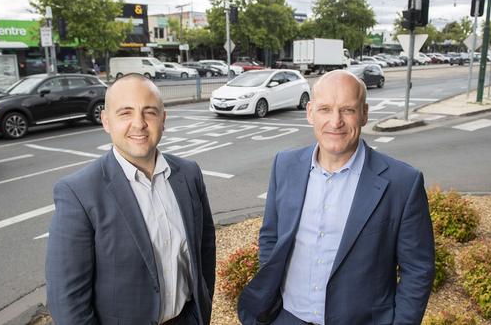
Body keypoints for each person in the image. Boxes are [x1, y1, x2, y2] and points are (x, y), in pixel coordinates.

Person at [238, 70, 435, 325]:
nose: (335, 121)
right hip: (286, 317)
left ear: (364, 113)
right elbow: (271, 236)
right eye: (325, 109)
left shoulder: (402, 183)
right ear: (310, 112)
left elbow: (418, 270)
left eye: (347, 110)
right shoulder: (284, 165)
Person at [46, 73, 216, 325]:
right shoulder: (78, 192)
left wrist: (201, 311)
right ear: (106, 121)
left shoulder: (189, 174)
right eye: (125, 113)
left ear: (163, 119)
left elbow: (204, 251)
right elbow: (67, 300)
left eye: (149, 112)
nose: (139, 123)